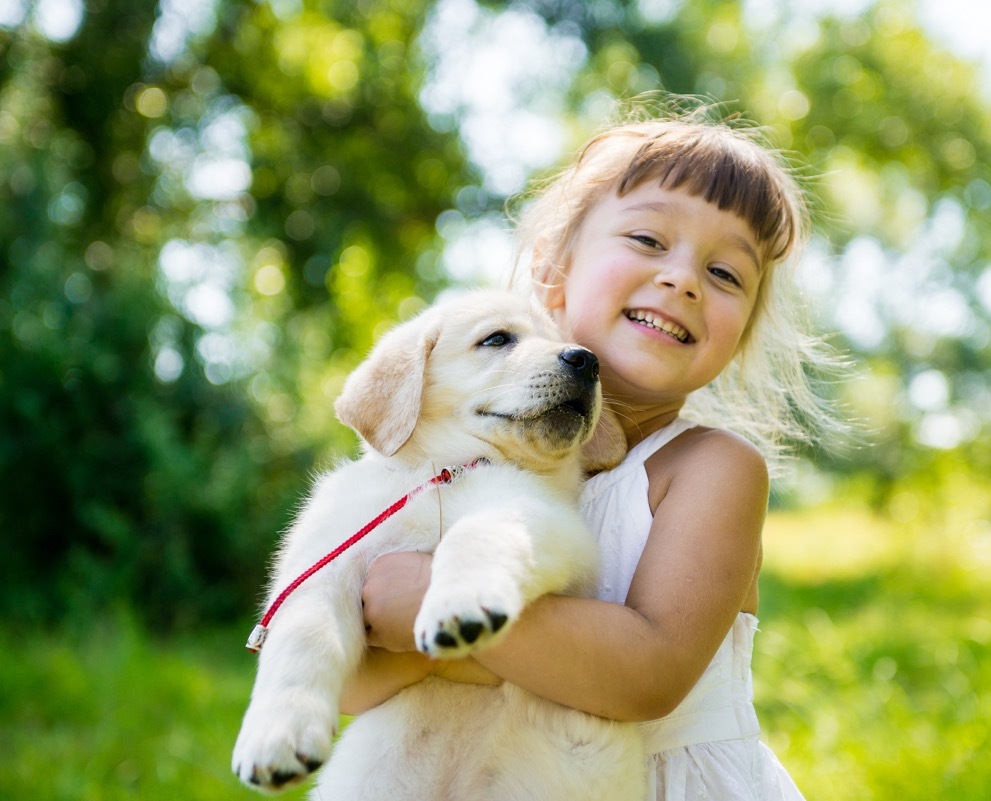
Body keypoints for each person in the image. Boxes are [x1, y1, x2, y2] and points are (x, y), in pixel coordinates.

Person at [342, 100, 837, 800]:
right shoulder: (482, 456)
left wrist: (435, 600)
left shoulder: (711, 469)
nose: (685, 278)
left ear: (743, 332)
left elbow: (647, 672)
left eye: (727, 274)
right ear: (553, 272)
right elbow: (357, 678)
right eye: (647, 238)